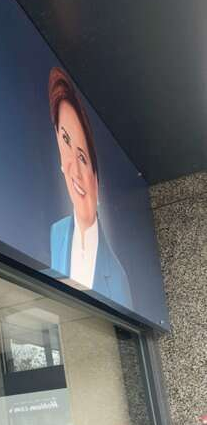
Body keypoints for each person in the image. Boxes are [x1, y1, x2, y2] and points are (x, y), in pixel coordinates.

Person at [48, 67, 132, 309]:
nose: (74, 169)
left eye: (83, 158)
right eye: (65, 141)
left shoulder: (117, 278)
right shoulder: (58, 233)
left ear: (96, 177)